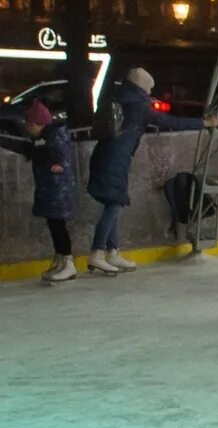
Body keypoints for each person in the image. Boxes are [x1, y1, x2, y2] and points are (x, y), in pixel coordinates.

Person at [84, 65, 160, 274]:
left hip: (104, 155)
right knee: (114, 204)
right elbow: (166, 121)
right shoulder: (139, 106)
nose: (150, 93)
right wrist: (202, 122)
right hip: (115, 159)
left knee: (113, 203)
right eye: (149, 89)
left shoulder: (119, 97)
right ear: (142, 87)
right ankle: (97, 253)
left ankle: (112, 252)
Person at [3, 96, 81, 283]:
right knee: (54, 226)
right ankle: (61, 259)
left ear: (40, 123)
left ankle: (68, 262)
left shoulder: (54, 136)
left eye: (31, 125)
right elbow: (28, 150)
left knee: (58, 226)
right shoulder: (42, 139)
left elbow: (60, 154)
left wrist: (58, 164)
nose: (28, 129)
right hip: (50, 191)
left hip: (57, 193)